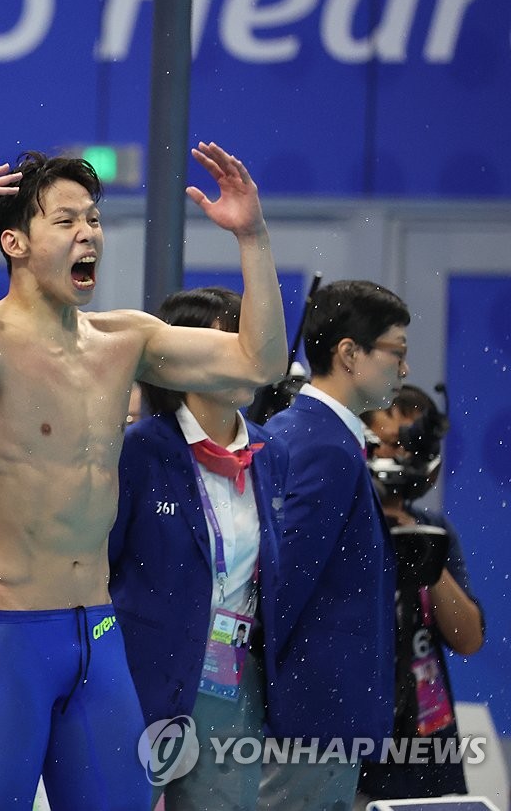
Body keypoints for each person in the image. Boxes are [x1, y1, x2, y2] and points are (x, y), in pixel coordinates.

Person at [0, 142, 286, 810]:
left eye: (91, 219)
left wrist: (253, 237)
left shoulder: (126, 340)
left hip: (97, 630)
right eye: (66, 221)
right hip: (8, 639)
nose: (87, 232)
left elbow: (255, 365)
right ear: (15, 241)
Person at [109, 287, 289, 811]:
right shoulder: (139, 449)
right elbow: (98, 569)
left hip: (231, 687)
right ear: (182, 358)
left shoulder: (270, 451)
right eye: (230, 338)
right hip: (139, 683)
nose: (244, 353)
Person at [260, 279, 411, 811]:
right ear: (350, 353)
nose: (405, 369)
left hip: (302, 714)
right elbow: (280, 588)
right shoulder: (327, 446)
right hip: (309, 720)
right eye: (397, 351)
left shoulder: (300, 431)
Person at [356, 385, 483, 801]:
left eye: (412, 447)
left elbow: (468, 639)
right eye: (392, 443)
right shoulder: (343, 526)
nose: (401, 457)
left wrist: (425, 557)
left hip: (429, 745)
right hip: (353, 738)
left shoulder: (435, 530)